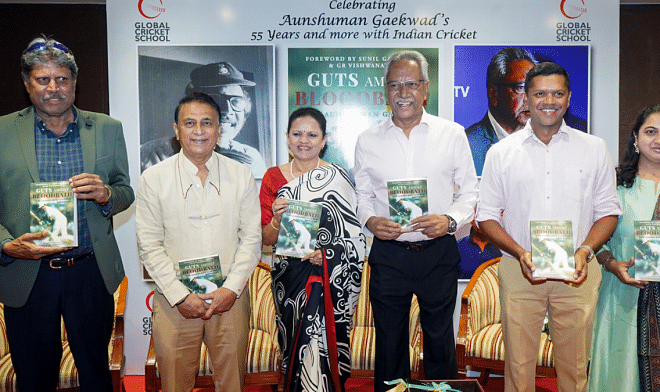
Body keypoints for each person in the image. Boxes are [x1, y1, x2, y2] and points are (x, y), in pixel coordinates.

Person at [476, 62, 621, 392]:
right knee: (518, 365)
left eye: (558, 93)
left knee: (574, 367)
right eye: (540, 93)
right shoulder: (501, 153)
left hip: (578, 271)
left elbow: (608, 212)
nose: (549, 101)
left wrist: (585, 250)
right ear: (526, 98)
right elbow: (486, 216)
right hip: (519, 268)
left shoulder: (594, 148)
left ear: (569, 98)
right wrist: (519, 251)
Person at [0, 36, 134, 391]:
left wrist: (107, 195)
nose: (53, 88)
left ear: (74, 83)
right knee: (34, 378)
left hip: (89, 272)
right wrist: (7, 245)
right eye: (43, 80)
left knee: (95, 375)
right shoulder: (1, 132)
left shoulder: (107, 128)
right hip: (28, 274)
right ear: (28, 84)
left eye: (62, 79)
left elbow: (125, 190)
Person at [354, 50, 478, 391]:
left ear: (425, 89)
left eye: (411, 84)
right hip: (389, 255)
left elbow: (470, 192)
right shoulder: (368, 140)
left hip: (438, 253)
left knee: (440, 342)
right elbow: (362, 196)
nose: (403, 92)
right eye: (395, 85)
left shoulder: (451, 134)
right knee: (390, 345)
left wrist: (450, 221)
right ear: (385, 92)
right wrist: (370, 221)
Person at [136, 93, 261, 392]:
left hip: (229, 300)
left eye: (207, 123)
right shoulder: (154, 178)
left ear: (219, 130)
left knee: (231, 383)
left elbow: (252, 238)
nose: (199, 131)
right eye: (189, 123)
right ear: (176, 131)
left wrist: (231, 289)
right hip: (175, 301)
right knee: (175, 383)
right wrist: (180, 295)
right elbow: (149, 245)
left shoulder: (241, 174)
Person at [588, 104, 660, 392]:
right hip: (621, 297)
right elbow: (595, 240)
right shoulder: (613, 184)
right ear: (635, 138)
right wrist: (612, 264)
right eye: (650, 132)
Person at [260, 106, 365, 392]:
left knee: (327, 345)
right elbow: (266, 238)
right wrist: (277, 219)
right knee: (293, 344)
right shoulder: (273, 178)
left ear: (324, 140)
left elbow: (354, 235)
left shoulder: (338, 177)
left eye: (311, 134)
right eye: (297, 133)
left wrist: (328, 253)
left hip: (329, 277)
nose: (303, 140)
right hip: (290, 277)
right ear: (287, 137)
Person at [140, 61, 266, 177]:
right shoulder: (151, 156)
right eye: (216, 100)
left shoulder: (251, 157)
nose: (228, 111)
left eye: (236, 101)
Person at [466, 47, 536, 176]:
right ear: (493, 93)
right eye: (520, 87)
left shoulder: (547, 141)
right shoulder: (467, 145)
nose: (529, 98)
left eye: (534, 89)